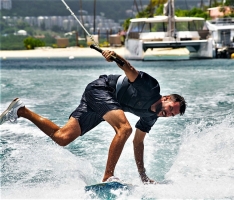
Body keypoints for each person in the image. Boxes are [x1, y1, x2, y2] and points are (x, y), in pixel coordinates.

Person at [0, 50, 186, 184]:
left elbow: (138, 143)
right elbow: (129, 69)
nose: (168, 114)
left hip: (104, 104)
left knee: (62, 138)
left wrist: (143, 176)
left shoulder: (150, 118)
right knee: (124, 128)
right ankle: (108, 177)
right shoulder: (151, 87)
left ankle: (21, 111)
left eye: (172, 115)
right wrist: (114, 56)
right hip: (102, 89)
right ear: (167, 98)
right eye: (171, 108)